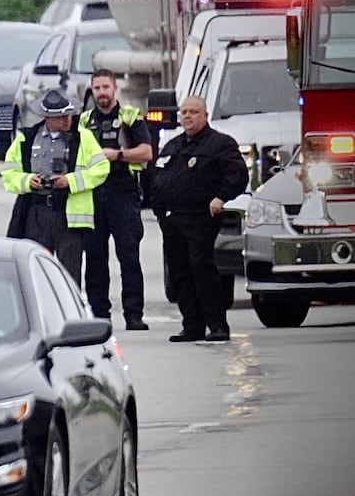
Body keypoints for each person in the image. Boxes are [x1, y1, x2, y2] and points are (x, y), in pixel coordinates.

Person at [150, 96, 249, 343]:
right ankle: (192, 325)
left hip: (201, 218)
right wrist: (161, 213)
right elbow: (157, 179)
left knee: (202, 271)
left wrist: (221, 197)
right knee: (180, 274)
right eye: (183, 112)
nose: (187, 116)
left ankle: (217, 325)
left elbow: (237, 175)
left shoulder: (220, 144)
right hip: (174, 221)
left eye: (193, 112)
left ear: (205, 116)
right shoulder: (173, 146)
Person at [3, 88, 111, 282]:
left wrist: (70, 181)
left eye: (68, 115)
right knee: (35, 271)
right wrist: (29, 182)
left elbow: (101, 169)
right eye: (61, 117)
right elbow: (9, 174)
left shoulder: (83, 138)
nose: (67, 121)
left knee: (70, 275)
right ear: (48, 118)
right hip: (37, 214)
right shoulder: (26, 139)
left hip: (68, 217)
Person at [79, 69, 155, 329]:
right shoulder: (84, 121)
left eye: (105, 87)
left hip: (123, 193)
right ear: (92, 91)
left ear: (115, 89)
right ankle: (100, 315)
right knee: (95, 258)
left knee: (129, 257)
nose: (101, 93)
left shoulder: (129, 116)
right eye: (97, 88)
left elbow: (146, 152)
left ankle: (134, 315)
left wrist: (118, 155)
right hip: (93, 195)